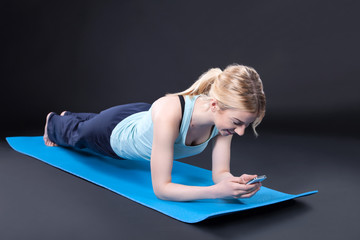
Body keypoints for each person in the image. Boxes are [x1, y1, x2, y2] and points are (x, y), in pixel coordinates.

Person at [43, 64, 266, 202]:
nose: (240, 132)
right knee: (75, 135)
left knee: (89, 121)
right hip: (115, 133)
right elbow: (162, 189)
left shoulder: (223, 122)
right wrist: (217, 192)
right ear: (216, 105)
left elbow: (220, 173)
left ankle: (71, 117)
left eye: (245, 124)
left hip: (146, 117)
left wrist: (233, 182)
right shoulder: (171, 111)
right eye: (237, 123)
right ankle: (55, 121)